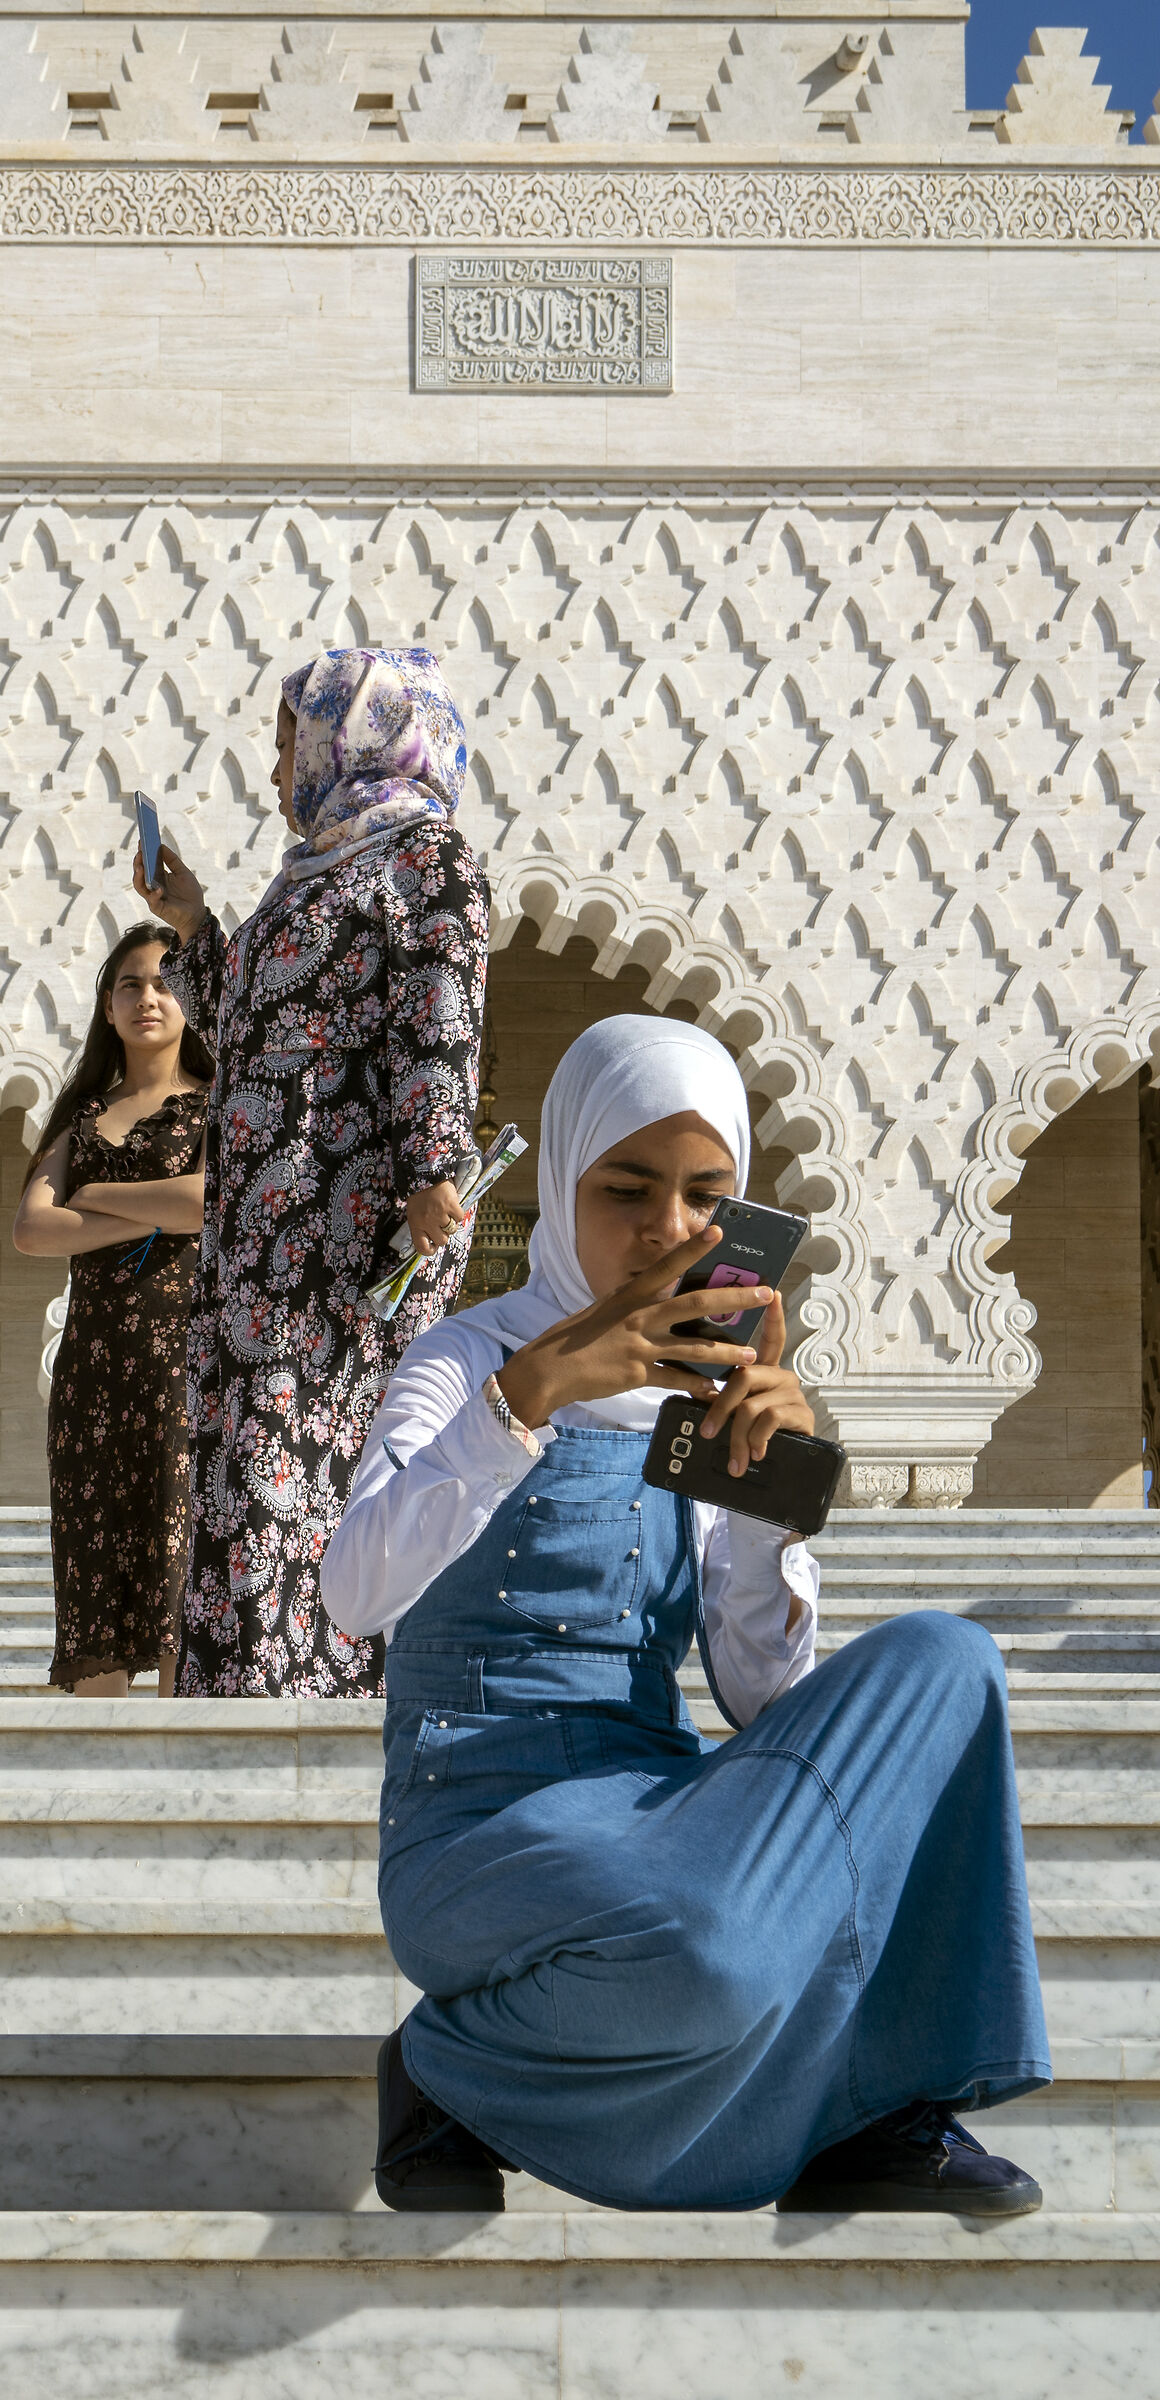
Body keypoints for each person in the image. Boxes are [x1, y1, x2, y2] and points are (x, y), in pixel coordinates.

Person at [321, 1015, 1051, 2216]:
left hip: (658, 1808)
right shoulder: (465, 1361)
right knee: (712, 1950)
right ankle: (446, 2071)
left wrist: (767, 1504)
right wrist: (525, 1398)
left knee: (947, 1659)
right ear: (565, 1181)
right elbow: (354, 1592)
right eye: (627, 1189)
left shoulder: (701, 1391)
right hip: (478, 1830)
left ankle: (884, 2105)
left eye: (705, 1197)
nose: (668, 1229)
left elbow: (763, 1698)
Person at [134, 646, 489, 1698]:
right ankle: (237, 1724)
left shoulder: (427, 859)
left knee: (308, 1487)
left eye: (288, 739)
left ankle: (317, 1719)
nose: (274, 765)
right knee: (245, 1488)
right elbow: (248, 1024)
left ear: (353, 734)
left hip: (343, 1247)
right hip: (257, 1257)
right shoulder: (311, 875)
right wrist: (193, 923)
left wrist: (434, 1162)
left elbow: (440, 1014)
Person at [12, 923, 211, 1696]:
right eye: (131, 984)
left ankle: (182, 1758)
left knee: (177, 1570)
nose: (148, 998)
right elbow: (33, 1229)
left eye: (165, 983)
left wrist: (94, 1196)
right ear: (106, 1004)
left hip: (181, 1367)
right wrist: (150, 1211)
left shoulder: (215, 1107)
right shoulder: (80, 1114)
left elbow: (208, 1203)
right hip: (91, 1376)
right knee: (95, 1577)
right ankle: (101, 1748)